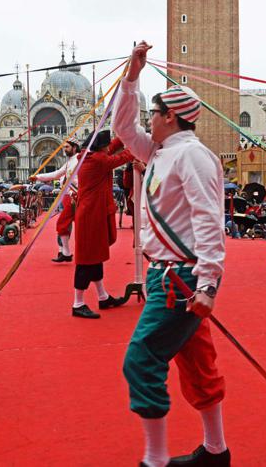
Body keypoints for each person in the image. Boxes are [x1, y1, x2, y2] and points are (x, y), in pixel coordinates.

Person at [113, 42, 229, 467]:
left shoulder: (193, 156)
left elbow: (208, 221)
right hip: (168, 274)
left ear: (170, 117)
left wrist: (209, 283)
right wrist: (132, 76)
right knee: (198, 363)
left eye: (153, 113)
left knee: (142, 361)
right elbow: (122, 126)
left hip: (182, 278)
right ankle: (216, 452)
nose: (148, 120)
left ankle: (154, 460)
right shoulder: (159, 152)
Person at [71, 130, 134, 319]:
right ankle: (78, 303)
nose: (108, 148)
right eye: (106, 146)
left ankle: (102, 296)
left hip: (93, 212)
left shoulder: (91, 156)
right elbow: (124, 156)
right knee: (85, 260)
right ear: (100, 147)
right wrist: (136, 139)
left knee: (95, 256)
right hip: (91, 214)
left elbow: (113, 147)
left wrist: (126, 132)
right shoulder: (97, 160)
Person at [29, 139, 80, 262]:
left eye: (67, 147)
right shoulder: (69, 162)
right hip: (69, 196)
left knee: (72, 224)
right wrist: (38, 177)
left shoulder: (81, 158)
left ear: (74, 147)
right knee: (63, 224)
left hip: (76, 195)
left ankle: (67, 252)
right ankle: (65, 252)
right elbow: (56, 173)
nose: (64, 149)